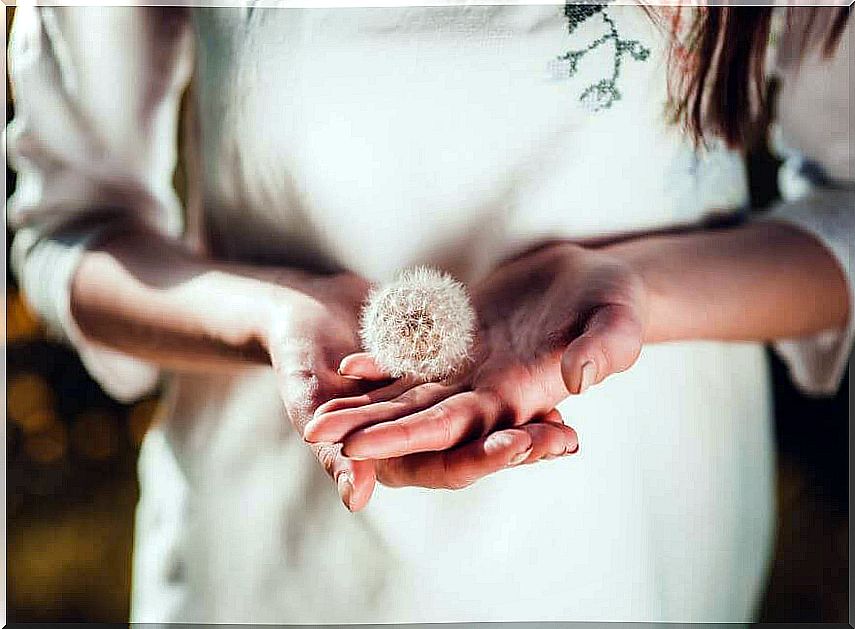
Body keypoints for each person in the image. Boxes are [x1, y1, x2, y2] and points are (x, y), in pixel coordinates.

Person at [6, 4, 851, 623]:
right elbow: (70, 227)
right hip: (277, 565)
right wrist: (271, 313)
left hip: (633, 550)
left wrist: (636, 289)